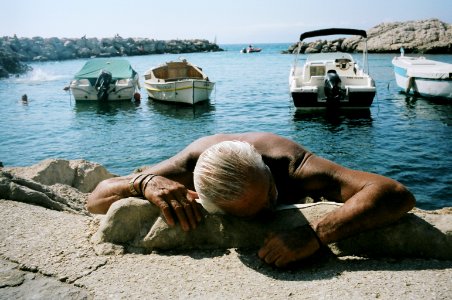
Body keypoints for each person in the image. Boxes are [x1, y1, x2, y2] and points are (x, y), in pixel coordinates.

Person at [87, 132, 415, 267]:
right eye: (256, 212)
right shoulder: (189, 166)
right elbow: (96, 200)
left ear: (268, 174)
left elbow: (394, 193)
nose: (271, 208)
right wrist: (143, 182)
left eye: (270, 195)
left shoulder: (292, 165)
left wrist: (316, 234)